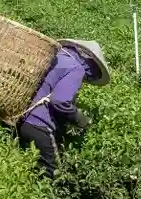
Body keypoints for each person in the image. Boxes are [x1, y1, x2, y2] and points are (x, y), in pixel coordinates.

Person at [18, 39, 110, 178]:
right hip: (38, 123)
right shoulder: (76, 68)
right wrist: (79, 118)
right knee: (52, 174)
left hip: (21, 115)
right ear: (92, 65)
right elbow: (59, 101)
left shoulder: (58, 56)